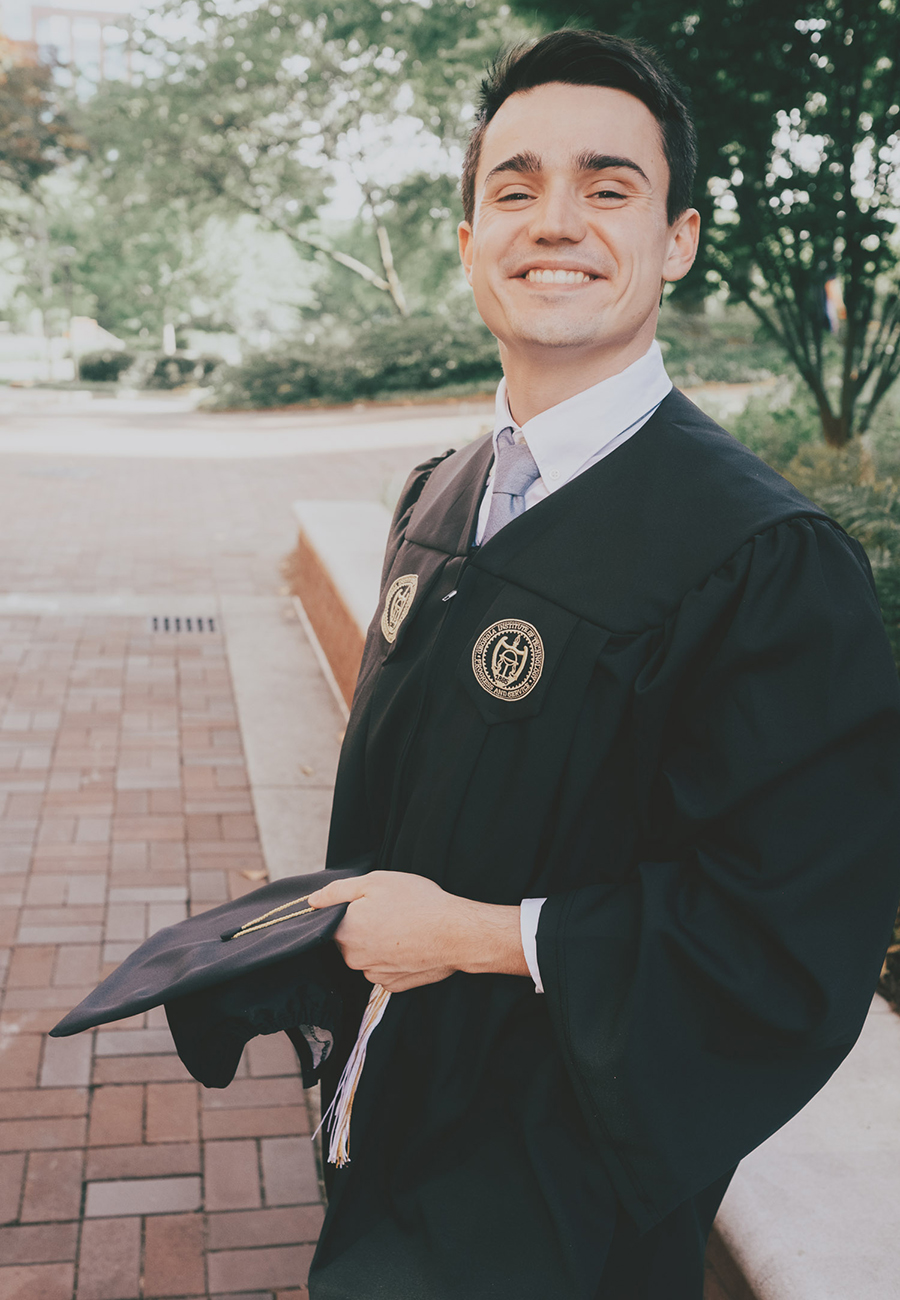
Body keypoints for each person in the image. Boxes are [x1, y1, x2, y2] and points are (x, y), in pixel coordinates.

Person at [304, 29, 900, 1300]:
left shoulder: (765, 559)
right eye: (513, 188)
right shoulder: (442, 494)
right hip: (387, 1118)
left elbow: (785, 941)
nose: (553, 220)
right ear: (468, 242)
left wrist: (471, 936)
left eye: (608, 186)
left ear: (677, 240)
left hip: (560, 1198)